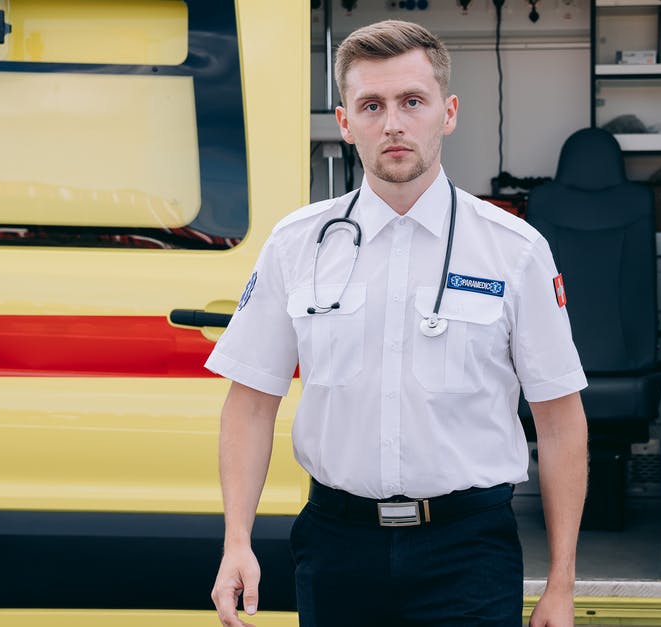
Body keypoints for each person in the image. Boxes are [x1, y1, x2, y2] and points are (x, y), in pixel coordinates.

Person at [207, 19, 588, 627]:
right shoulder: (296, 245)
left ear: (448, 112)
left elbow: (560, 420)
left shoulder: (515, 251)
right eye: (372, 105)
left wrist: (561, 584)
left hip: (469, 550)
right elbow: (251, 403)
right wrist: (236, 541)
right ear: (344, 121)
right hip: (337, 547)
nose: (393, 123)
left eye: (412, 101)